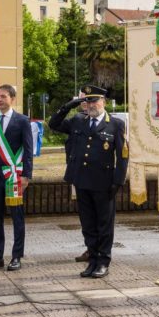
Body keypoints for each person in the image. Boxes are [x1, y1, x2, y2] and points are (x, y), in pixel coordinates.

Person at [50, 84, 128, 279]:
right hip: (81, 181)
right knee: (88, 225)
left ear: (103, 102)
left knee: (104, 225)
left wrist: (118, 182)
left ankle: (103, 262)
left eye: (94, 100)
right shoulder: (78, 120)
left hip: (104, 183)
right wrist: (69, 105)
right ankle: (92, 260)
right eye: (88, 100)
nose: (91, 104)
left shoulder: (115, 124)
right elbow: (53, 124)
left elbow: (123, 155)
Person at [0, 83, 34, 271]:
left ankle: (16, 256)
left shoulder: (22, 120)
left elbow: (28, 149)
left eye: (3, 96)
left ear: (12, 99)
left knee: (17, 218)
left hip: (14, 176)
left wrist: (27, 175)